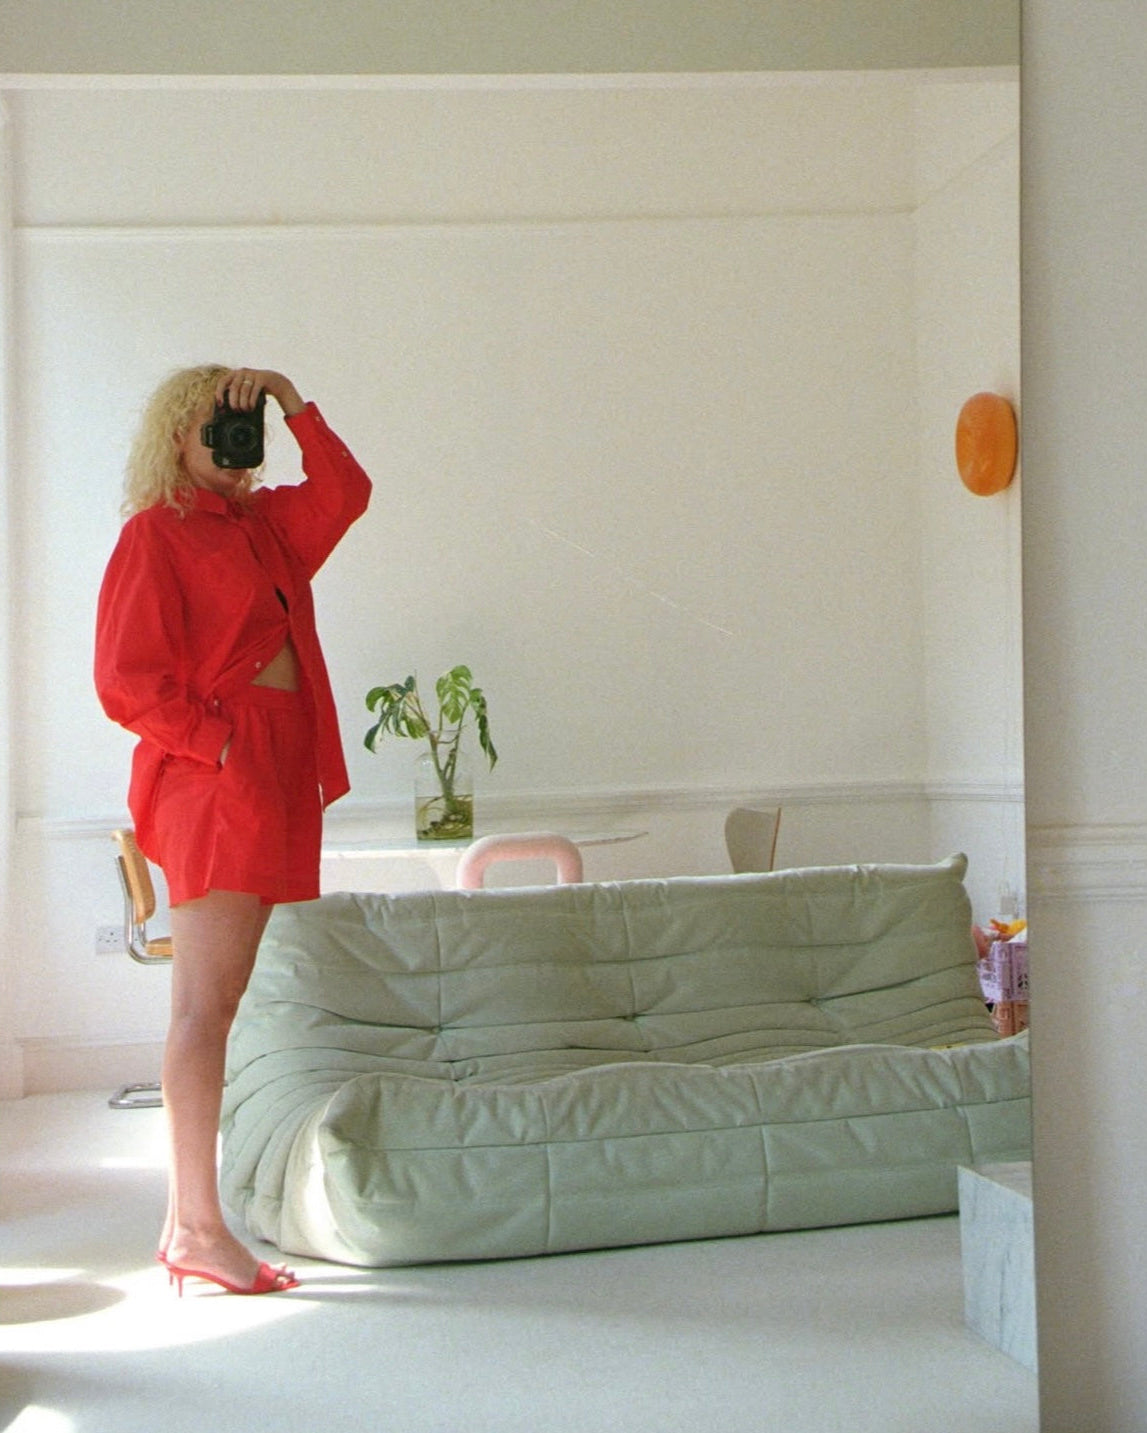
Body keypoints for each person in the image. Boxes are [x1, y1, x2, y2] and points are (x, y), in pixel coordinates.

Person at [94, 366, 371, 1295]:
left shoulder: (263, 527)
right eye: (215, 423)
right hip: (219, 778)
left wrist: (292, 403)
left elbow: (346, 492)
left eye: (240, 424)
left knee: (224, 1001)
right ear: (176, 434)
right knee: (203, 1007)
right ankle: (198, 1229)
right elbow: (127, 680)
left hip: (276, 771)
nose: (230, 440)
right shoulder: (155, 534)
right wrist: (218, 745)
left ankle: (191, 1222)